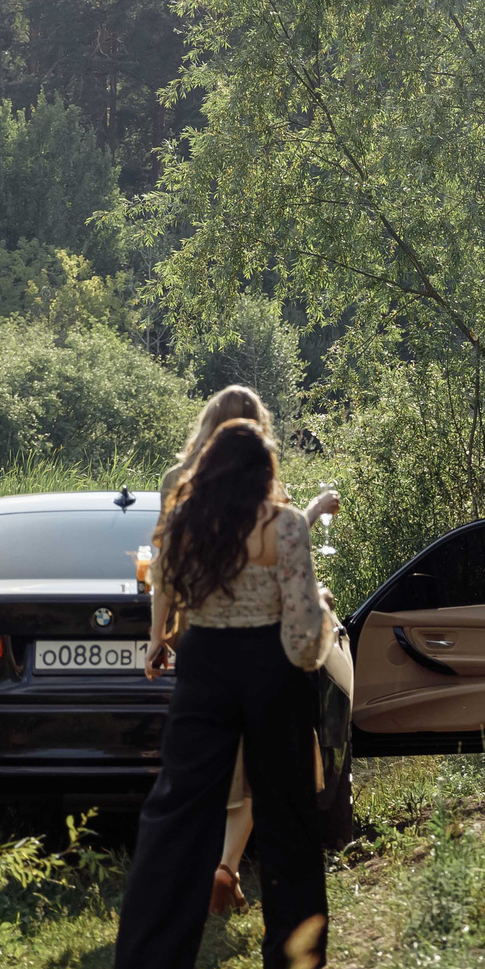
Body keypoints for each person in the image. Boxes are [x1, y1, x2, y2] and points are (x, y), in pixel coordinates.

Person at [112, 418, 330, 969]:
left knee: (179, 806)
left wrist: (162, 639)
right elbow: (304, 612)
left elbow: (168, 587)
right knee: (285, 809)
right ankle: (290, 959)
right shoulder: (284, 525)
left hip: (204, 662)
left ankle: (147, 963)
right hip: (269, 665)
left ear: (208, 466)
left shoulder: (185, 523)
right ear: (265, 470)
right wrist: (305, 661)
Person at [161, 387, 339, 915]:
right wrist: (315, 619)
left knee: (210, 772)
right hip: (264, 652)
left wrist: (163, 632)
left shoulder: (181, 490)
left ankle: (205, 877)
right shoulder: (269, 501)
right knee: (274, 774)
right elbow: (271, 551)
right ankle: (229, 872)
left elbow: (171, 570)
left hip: (202, 644)